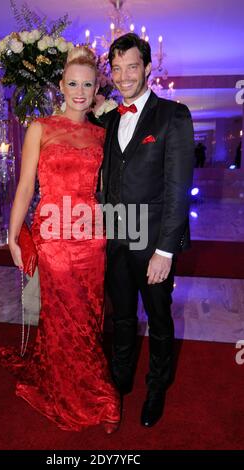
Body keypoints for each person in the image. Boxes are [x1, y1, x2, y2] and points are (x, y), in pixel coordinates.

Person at [0, 46, 121, 434]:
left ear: (97, 86)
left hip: (92, 236)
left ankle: (87, 386)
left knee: (89, 315)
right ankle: (92, 393)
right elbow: (24, 187)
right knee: (66, 317)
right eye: (73, 83)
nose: (80, 91)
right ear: (61, 85)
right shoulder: (41, 127)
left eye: (88, 84)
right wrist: (13, 234)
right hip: (53, 236)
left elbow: (108, 189)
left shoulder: (102, 135)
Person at [99, 33, 195, 427]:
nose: (123, 77)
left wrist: (166, 251)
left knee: (158, 320)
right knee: (120, 317)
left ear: (148, 68)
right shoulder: (107, 118)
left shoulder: (173, 115)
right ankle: (120, 380)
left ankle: (156, 387)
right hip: (115, 239)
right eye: (117, 68)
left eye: (132, 67)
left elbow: (177, 190)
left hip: (152, 240)